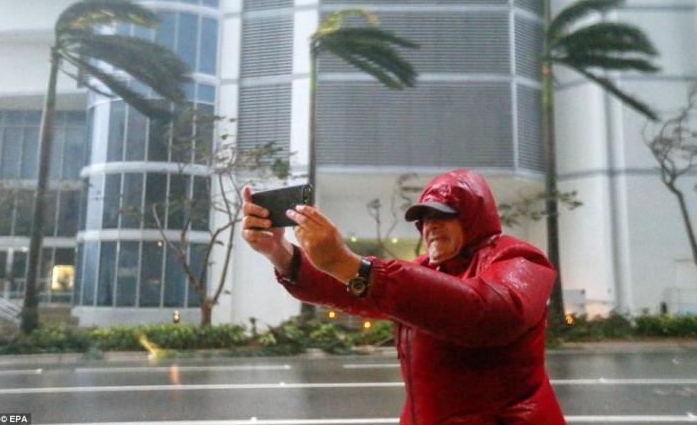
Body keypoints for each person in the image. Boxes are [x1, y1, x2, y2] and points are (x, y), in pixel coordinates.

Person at [242, 169, 566, 424]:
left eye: (443, 215)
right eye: (424, 219)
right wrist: (282, 253)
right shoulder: (427, 270)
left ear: (473, 215)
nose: (430, 226)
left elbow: (488, 314)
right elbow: (358, 291)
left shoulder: (518, 259)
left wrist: (350, 265)